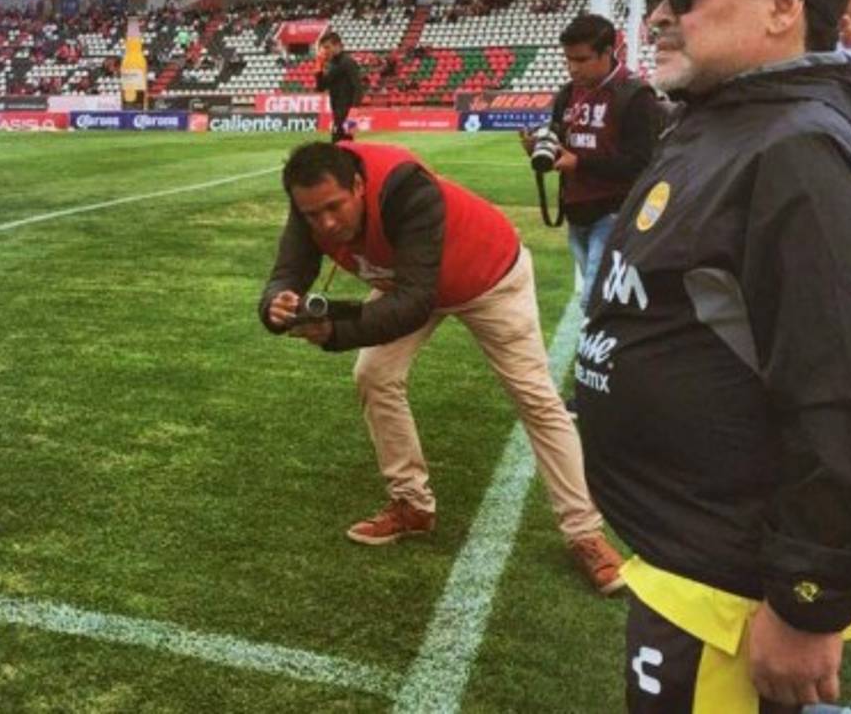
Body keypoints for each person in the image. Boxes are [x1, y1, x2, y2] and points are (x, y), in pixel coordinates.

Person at [575, 0, 851, 710]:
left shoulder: (798, 147)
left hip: (733, 591)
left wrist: (809, 597)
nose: (659, 14)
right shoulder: (726, 123)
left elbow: (850, 391)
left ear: (784, 7)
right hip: (687, 560)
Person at [259, 141, 626, 596]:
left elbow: (414, 303)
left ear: (358, 185)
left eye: (335, 207)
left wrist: (336, 332)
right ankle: (412, 504)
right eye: (314, 215)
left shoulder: (406, 188)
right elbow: (287, 272)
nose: (327, 223)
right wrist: (275, 306)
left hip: (490, 277)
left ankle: (584, 532)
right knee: (373, 374)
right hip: (411, 283)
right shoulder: (309, 204)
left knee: (535, 398)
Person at [521, 14, 664, 314]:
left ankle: (593, 360)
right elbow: (561, 139)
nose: (573, 68)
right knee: (605, 294)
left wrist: (580, 164)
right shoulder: (567, 93)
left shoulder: (636, 95)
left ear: (607, 53)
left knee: (594, 298)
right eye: (568, 59)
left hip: (616, 212)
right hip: (578, 212)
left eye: (582, 59)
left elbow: (643, 163)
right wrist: (542, 147)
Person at [314, 32, 363, 143]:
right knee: (341, 144)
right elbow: (321, 87)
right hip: (337, 111)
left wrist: (354, 110)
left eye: (328, 47)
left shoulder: (348, 62)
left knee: (343, 144)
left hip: (348, 112)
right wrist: (319, 69)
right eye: (323, 48)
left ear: (338, 46)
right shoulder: (332, 64)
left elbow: (358, 88)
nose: (325, 51)